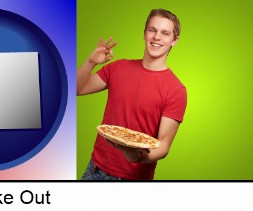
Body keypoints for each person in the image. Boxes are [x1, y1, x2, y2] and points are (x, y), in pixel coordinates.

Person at [77, 8, 187, 180]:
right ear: (144, 34)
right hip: (95, 169)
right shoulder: (118, 67)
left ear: (174, 40)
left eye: (165, 33)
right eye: (152, 30)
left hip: (133, 178)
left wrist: (137, 156)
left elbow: (164, 145)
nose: (157, 37)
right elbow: (78, 88)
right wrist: (91, 61)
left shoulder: (176, 90)